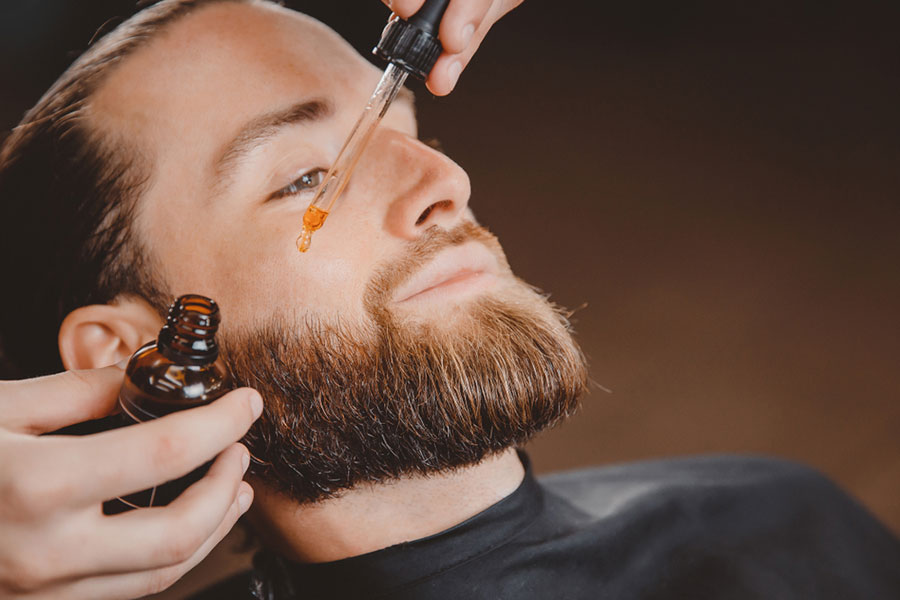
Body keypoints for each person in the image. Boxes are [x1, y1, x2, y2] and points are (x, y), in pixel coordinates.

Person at [0, 1, 897, 600]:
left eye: (410, 134)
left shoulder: (787, 526)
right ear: (129, 350)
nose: (446, 183)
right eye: (309, 176)